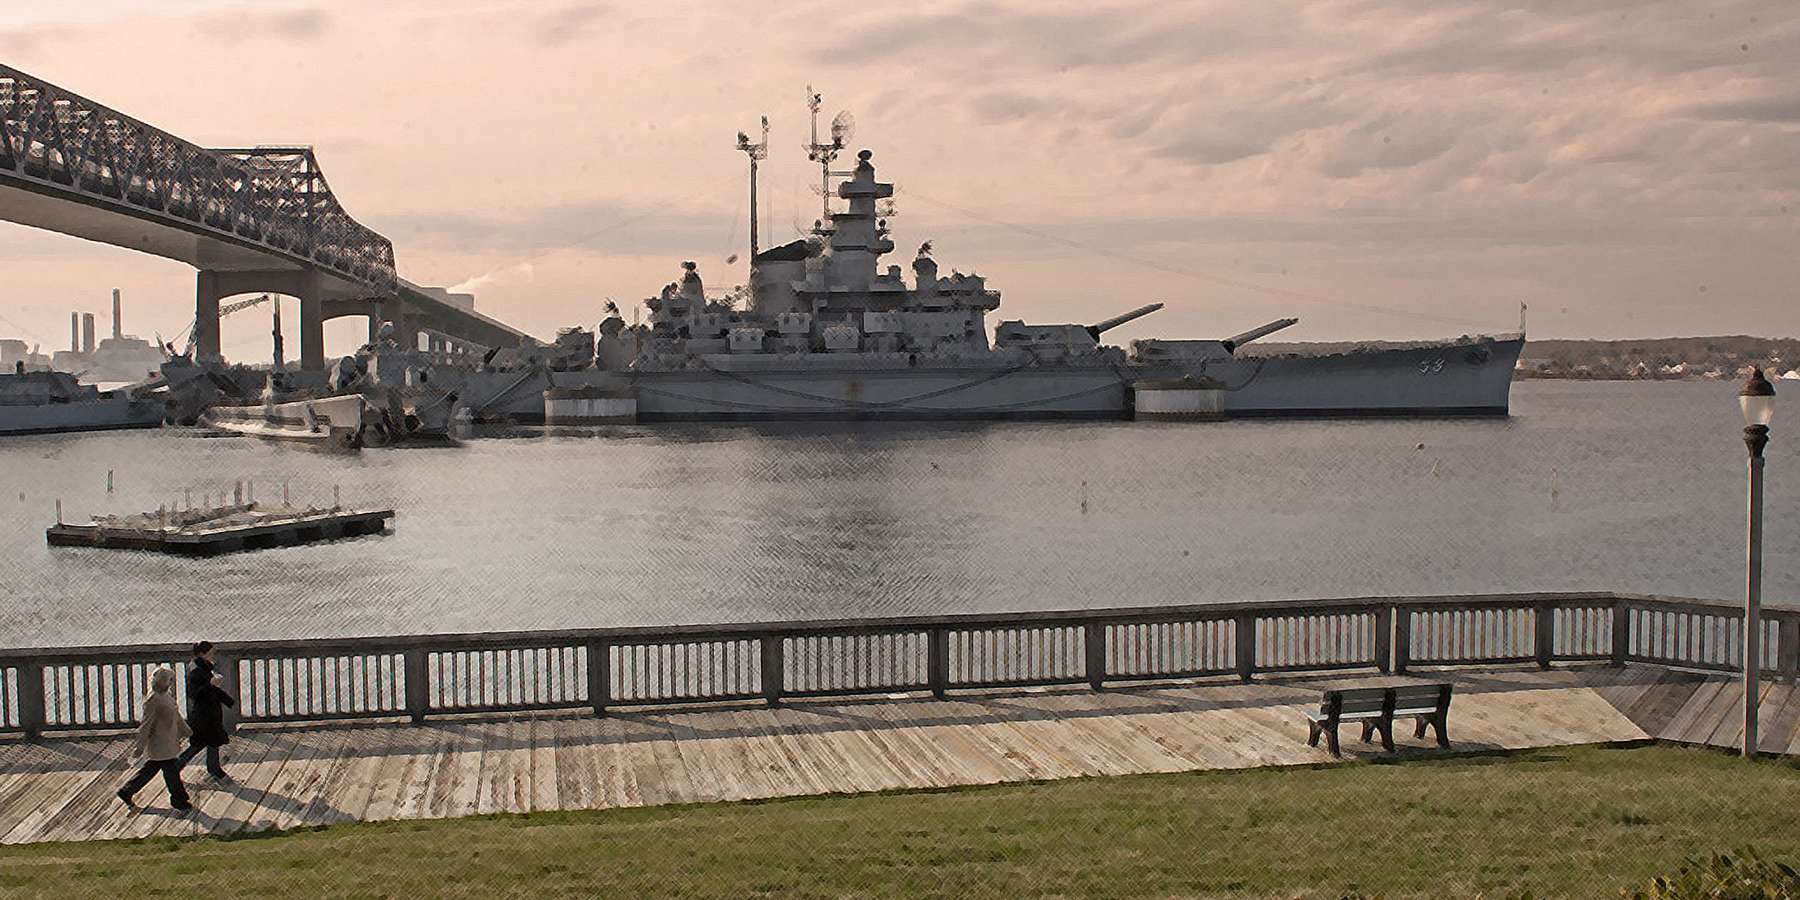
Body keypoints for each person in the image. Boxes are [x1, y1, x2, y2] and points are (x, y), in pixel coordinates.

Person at [117, 667, 192, 811]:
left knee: (151, 769)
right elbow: (145, 725)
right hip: (159, 742)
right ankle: (179, 800)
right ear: (161, 681)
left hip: (168, 740)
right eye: (169, 680)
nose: (171, 683)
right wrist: (139, 747)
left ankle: (126, 791)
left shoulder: (167, 695)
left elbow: (176, 715)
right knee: (171, 771)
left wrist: (186, 730)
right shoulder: (153, 700)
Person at [178, 641, 235, 781]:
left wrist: (228, 701)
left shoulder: (206, 667)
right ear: (203, 654)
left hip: (210, 713)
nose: (213, 654)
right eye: (210, 652)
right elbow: (194, 693)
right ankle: (175, 766)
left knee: (213, 741)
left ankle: (214, 768)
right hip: (203, 715)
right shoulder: (196, 671)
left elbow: (213, 690)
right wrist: (210, 684)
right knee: (198, 744)